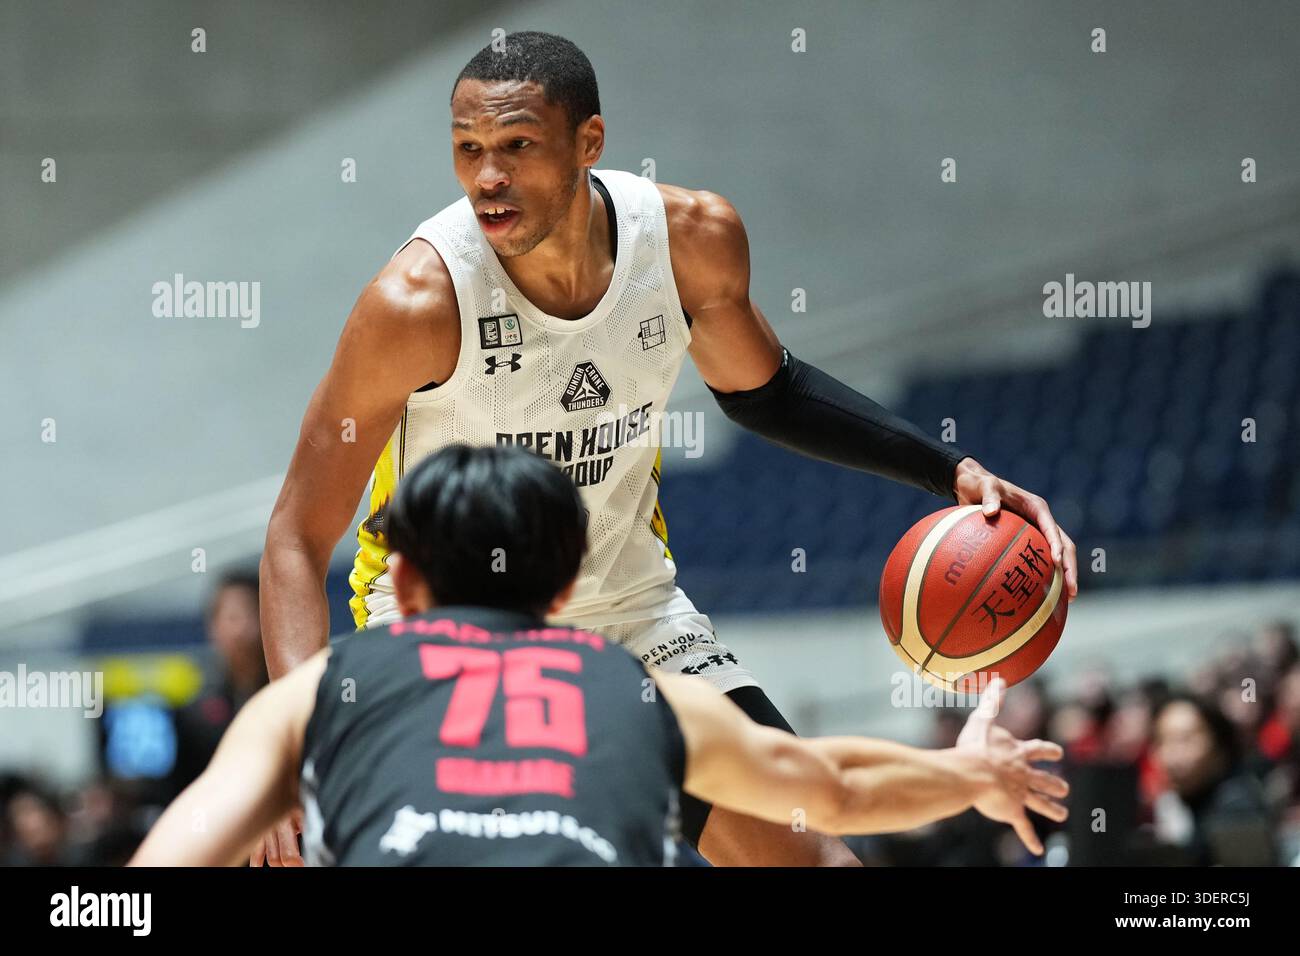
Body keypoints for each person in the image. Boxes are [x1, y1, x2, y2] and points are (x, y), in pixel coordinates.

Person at [258, 30, 1079, 866]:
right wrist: (288, 752)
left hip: (629, 605)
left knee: (816, 855)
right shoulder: (414, 303)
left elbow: (769, 392)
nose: (487, 178)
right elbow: (296, 538)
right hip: (453, 621)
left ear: (591, 142)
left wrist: (949, 470)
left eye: (516, 147)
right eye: (468, 150)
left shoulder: (689, 240)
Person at [134, 445, 1068, 866]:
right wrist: (969, 776)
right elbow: (835, 787)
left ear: (404, 585)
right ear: (562, 590)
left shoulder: (318, 697)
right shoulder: (639, 693)